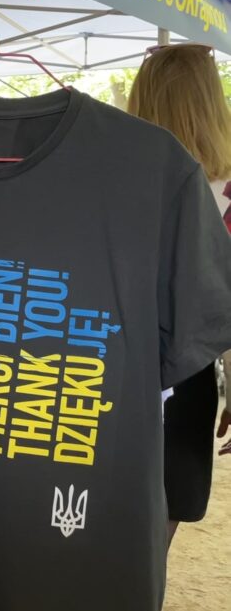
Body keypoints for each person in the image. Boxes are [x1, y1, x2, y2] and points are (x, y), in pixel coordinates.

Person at [128, 42, 231, 545]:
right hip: (188, 368)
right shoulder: (226, 192)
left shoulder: (112, 176)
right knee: (156, 535)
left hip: (105, 359)